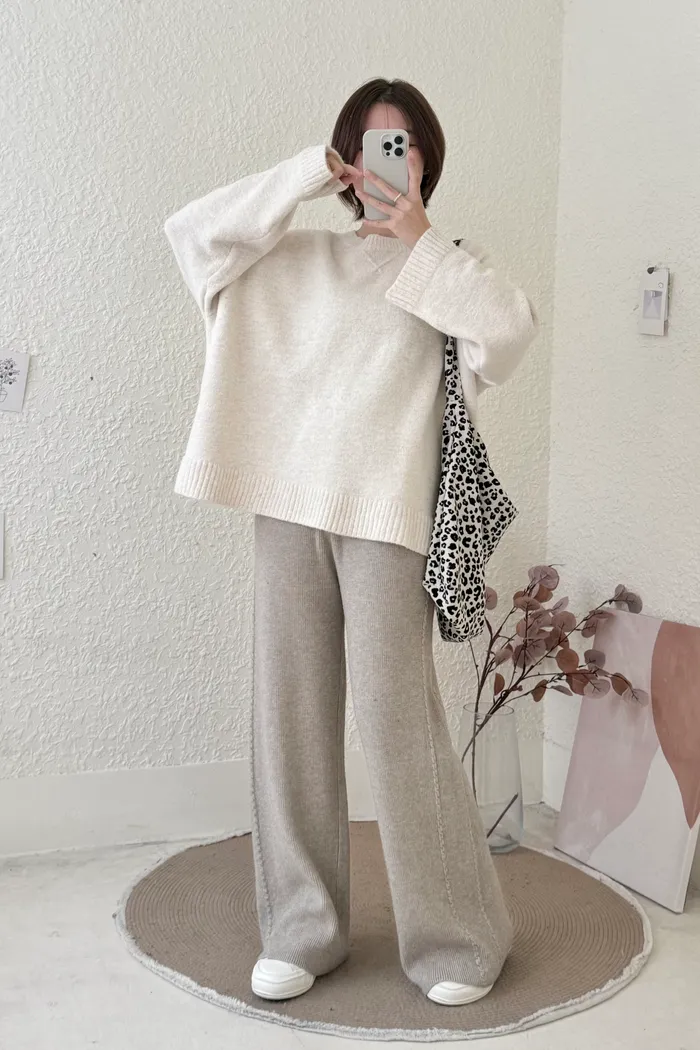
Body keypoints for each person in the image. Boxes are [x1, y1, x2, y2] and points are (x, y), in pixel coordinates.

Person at [163, 77, 539, 1006]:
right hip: (288, 507)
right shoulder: (293, 257)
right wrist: (302, 174)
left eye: (401, 144)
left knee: (399, 722)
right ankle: (302, 928)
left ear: (427, 159)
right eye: (369, 144)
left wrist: (421, 240)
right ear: (345, 157)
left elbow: (509, 334)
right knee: (289, 718)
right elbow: (192, 233)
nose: (386, 161)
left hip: (388, 519)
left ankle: (459, 937)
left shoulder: (449, 267)